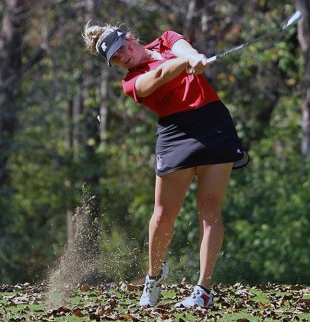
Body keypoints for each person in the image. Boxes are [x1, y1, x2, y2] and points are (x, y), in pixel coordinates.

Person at [83, 22, 249, 308]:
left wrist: (193, 56)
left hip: (213, 122)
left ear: (130, 38)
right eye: (116, 58)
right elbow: (159, 74)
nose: (123, 57)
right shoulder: (131, 83)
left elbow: (184, 48)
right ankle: (153, 276)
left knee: (210, 208)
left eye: (122, 49)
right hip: (176, 133)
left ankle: (203, 291)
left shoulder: (167, 40)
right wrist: (186, 61)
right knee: (162, 215)